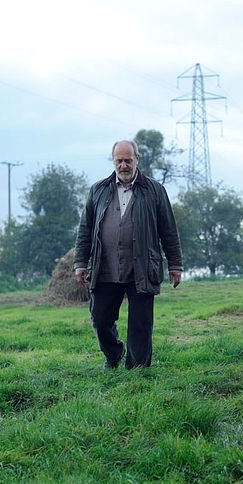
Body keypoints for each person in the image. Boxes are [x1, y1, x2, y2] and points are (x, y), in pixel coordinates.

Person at [74, 139, 183, 369]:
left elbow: (169, 230)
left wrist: (175, 265)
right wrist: (80, 263)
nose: (123, 165)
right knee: (100, 319)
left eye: (128, 160)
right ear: (113, 161)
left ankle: (138, 369)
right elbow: (85, 229)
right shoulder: (98, 190)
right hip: (105, 267)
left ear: (137, 160)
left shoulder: (155, 190)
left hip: (142, 267)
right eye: (119, 161)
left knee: (141, 324)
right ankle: (113, 354)